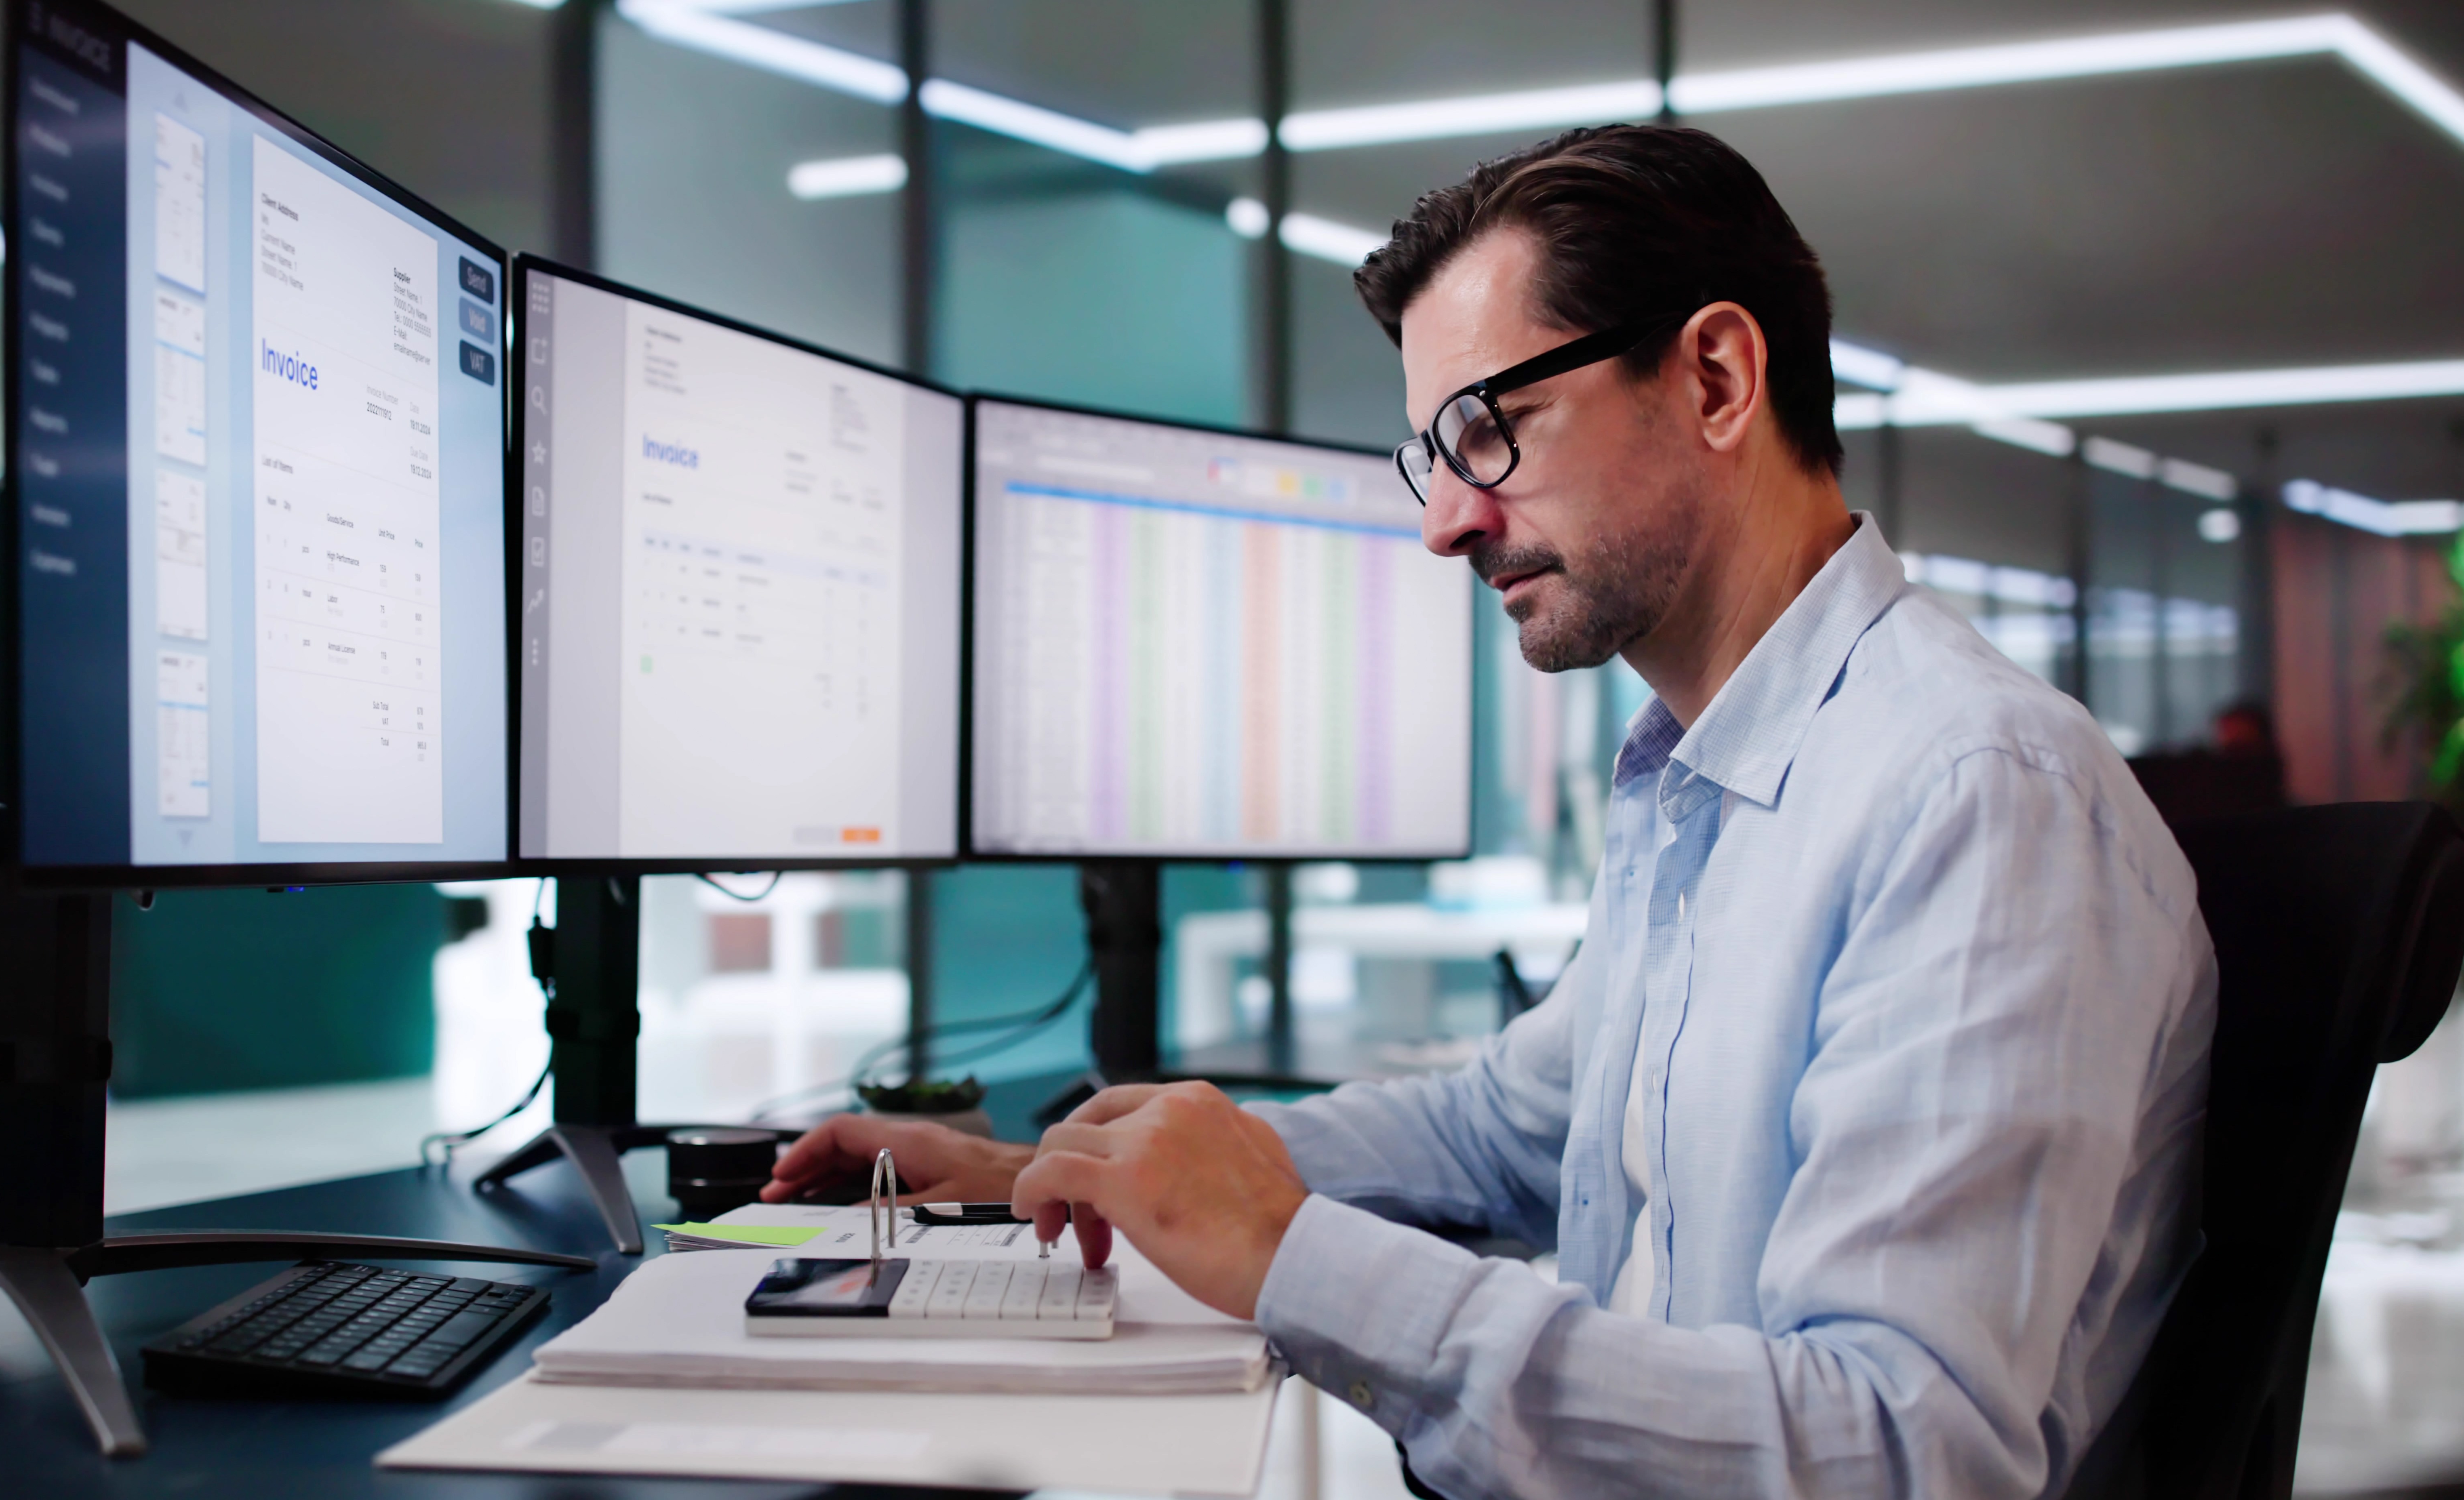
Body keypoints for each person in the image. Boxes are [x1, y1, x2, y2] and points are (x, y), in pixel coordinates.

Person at [766, 124, 2214, 1499]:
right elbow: (1498, 1137)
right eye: (1432, 457)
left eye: (1490, 429)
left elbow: (1899, 1451)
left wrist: (1286, 1252)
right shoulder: (1699, 780)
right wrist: (1078, 1171)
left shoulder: (1972, 797)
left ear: (1714, 376)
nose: (1443, 521)